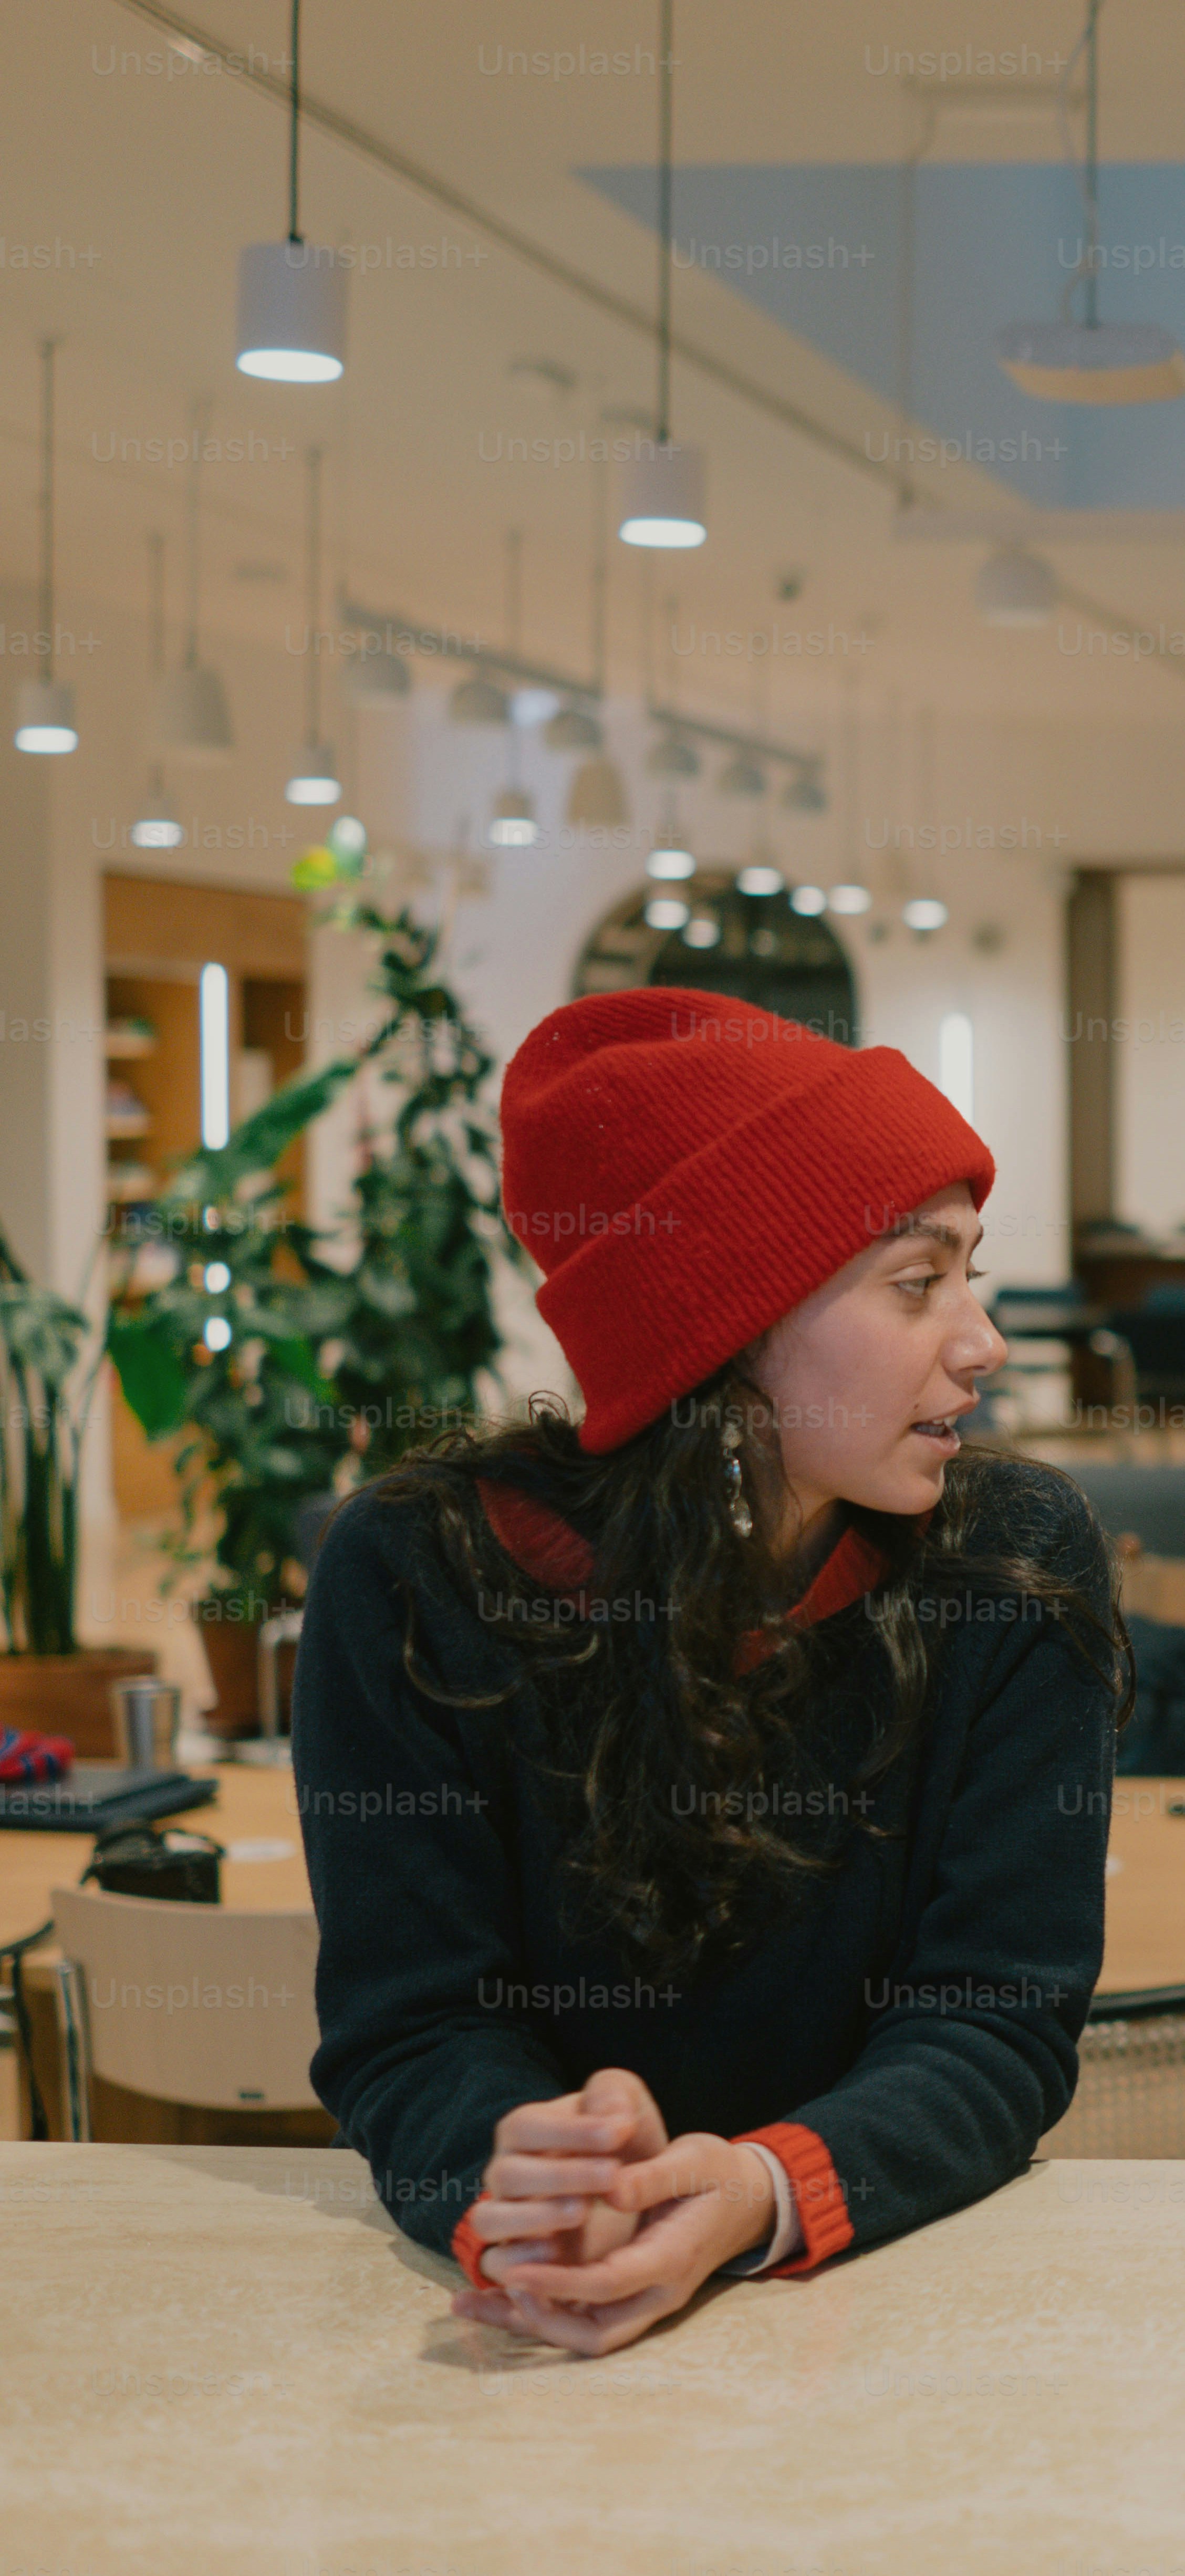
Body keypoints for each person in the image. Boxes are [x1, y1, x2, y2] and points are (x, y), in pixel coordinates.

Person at [300, 989, 1124, 2356]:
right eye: (919, 1282)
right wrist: (524, 2169)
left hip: (889, 2325)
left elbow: (994, 2017)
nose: (982, 1342)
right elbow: (412, 2026)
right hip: (535, 2339)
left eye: (967, 1272)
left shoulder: (1012, 1562)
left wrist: (763, 2188)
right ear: (718, 1329)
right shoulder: (416, 1575)